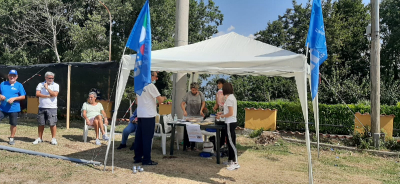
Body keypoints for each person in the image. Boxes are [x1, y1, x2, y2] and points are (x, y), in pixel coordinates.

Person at [134, 71, 166, 166]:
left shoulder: (139, 85)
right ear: (151, 76)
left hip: (140, 114)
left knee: (139, 137)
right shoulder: (151, 86)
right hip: (148, 115)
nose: (157, 78)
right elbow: (160, 100)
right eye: (156, 76)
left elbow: (137, 101)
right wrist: (164, 97)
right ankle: (147, 159)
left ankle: (137, 157)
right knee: (147, 138)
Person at [216, 83, 240, 170]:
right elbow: (229, 111)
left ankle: (235, 162)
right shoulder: (231, 97)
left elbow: (230, 113)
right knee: (230, 142)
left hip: (230, 122)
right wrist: (221, 113)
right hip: (230, 122)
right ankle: (230, 160)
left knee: (231, 143)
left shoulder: (229, 99)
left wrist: (221, 116)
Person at [32, 71, 59, 145]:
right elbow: (37, 94)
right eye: (49, 78)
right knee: (41, 123)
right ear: (45, 78)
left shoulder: (56, 85)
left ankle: (53, 139)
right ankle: (40, 138)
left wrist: (47, 88)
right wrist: (47, 96)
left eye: (52, 78)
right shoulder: (40, 84)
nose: (51, 79)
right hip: (42, 107)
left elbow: (55, 94)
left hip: (52, 107)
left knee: (52, 123)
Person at [0, 70, 26, 145]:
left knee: (13, 124)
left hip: (14, 108)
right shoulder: (3, 84)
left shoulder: (19, 85)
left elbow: (23, 96)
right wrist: (0, 96)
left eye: (14, 76)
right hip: (2, 108)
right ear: (8, 76)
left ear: (16, 77)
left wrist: (14, 99)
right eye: (11, 75)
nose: (12, 77)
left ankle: (11, 138)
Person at [181, 82, 205, 151]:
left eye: (195, 90)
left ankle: (194, 146)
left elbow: (203, 102)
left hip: (197, 115)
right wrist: (184, 111)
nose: (193, 91)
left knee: (195, 130)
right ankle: (187, 145)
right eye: (192, 90)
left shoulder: (200, 94)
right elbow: (182, 104)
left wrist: (201, 110)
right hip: (189, 115)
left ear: (197, 89)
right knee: (188, 130)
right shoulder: (188, 94)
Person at [213, 78, 227, 148]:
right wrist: (215, 108)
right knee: (219, 129)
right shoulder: (217, 93)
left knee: (224, 130)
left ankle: (222, 144)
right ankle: (218, 144)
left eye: (219, 83)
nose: (218, 85)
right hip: (220, 113)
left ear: (223, 84)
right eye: (217, 83)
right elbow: (217, 104)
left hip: (225, 113)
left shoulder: (226, 93)